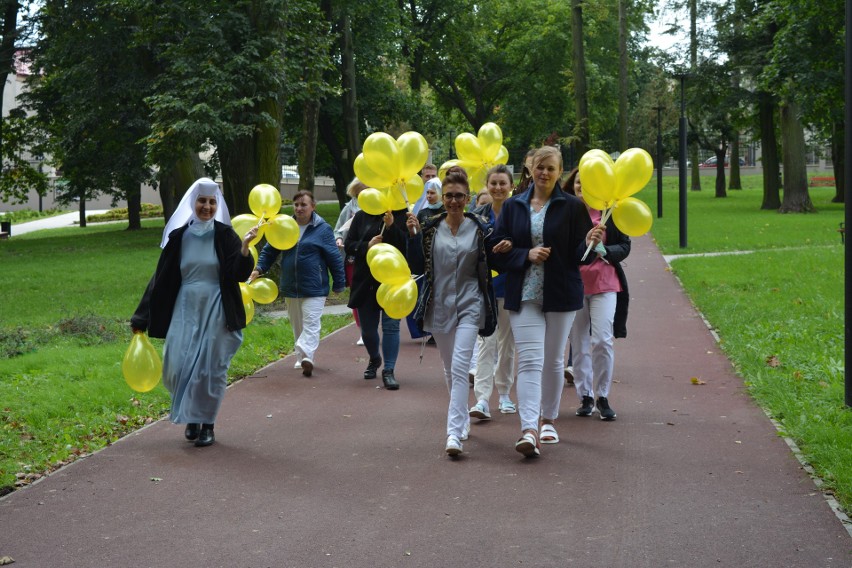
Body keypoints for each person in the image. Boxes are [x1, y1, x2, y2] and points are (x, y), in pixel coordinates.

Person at [490, 146, 603, 457]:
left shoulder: (572, 207)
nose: (544, 173)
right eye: (539, 167)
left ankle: (548, 420)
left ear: (559, 172)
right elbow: (496, 250)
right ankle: (528, 428)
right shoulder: (513, 206)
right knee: (529, 360)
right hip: (523, 292)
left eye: (550, 168)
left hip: (561, 292)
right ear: (530, 169)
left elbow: (581, 254)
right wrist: (523, 254)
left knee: (553, 360)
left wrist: (592, 242)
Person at [131, 178, 257, 447]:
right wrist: (141, 317)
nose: (207, 207)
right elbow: (160, 279)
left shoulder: (225, 235)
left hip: (217, 307)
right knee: (176, 364)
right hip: (186, 306)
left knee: (210, 369)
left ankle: (207, 424)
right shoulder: (179, 237)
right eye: (202, 201)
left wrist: (245, 247)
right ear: (192, 203)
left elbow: (238, 273)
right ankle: (191, 416)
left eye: (212, 202)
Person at [406, 169, 497, 457]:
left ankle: (453, 432)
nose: (453, 201)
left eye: (459, 196)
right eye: (449, 196)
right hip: (440, 304)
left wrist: (504, 249)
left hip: (471, 303)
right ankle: (460, 420)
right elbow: (418, 265)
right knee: (449, 367)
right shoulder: (430, 227)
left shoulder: (480, 227)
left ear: (467, 198)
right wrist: (412, 237)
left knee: (459, 367)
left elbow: (492, 258)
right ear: (442, 198)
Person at [252, 191, 346, 377]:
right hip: (290, 284)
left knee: (311, 322)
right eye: (296, 205)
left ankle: (307, 354)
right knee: (298, 324)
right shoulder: (283, 226)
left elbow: (334, 257)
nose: (299, 208)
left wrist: (339, 283)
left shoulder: (322, 229)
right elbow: (269, 250)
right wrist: (259, 268)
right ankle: (301, 356)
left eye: (304, 204)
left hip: (315, 286)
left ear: (313, 207)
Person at [563, 167, 631, 420]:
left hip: (605, 284)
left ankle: (602, 395)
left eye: (588, 183)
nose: (582, 187)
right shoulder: (567, 212)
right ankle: (585, 396)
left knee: (602, 340)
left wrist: (604, 250)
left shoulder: (608, 212)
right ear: (573, 185)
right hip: (574, 284)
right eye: (578, 183)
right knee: (579, 344)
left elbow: (624, 245)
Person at [469, 165, 517, 420]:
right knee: (486, 342)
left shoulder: (519, 213)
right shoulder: (477, 216)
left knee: (507, 344)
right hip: (485, 288)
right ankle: (482, 399)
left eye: (502, 183)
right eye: (494, 183)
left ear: (511, 186)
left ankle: (505, 393)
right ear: (487, 185)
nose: (498, 188)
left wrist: (512, 245)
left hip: (512, 287)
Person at [344, 203, 409, 390]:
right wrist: (367, 245)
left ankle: (389, 370)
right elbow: (349, 245)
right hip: (366, 282)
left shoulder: (403, 214)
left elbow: (406, 246)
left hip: (393, 282)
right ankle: (374, 358)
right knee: (367, 331)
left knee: (391, 327)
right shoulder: (362, 216)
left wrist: (391, 226)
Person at [334, 178, 367, 345]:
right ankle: (362, 330)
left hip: (372, 256)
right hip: (352, 258)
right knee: (356, 294)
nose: (362, 196)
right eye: (359, 193)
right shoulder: (349, 208)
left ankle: (371, 326)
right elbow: (337, 229)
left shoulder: (379, 206)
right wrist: (339, 239)